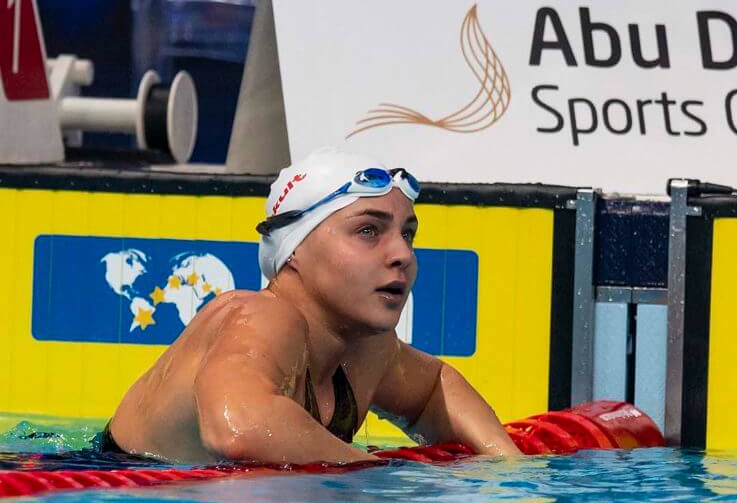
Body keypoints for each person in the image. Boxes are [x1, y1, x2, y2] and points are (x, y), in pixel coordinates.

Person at [99, 148, 521, 464]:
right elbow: (238, 427)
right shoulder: (260, 316)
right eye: (369, 231)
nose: (402, 255)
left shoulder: (368, 349)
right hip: (105, 489)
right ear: (295, 249)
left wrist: (510, 468)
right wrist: (374, 476)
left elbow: (433, 392)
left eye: (407, 234)